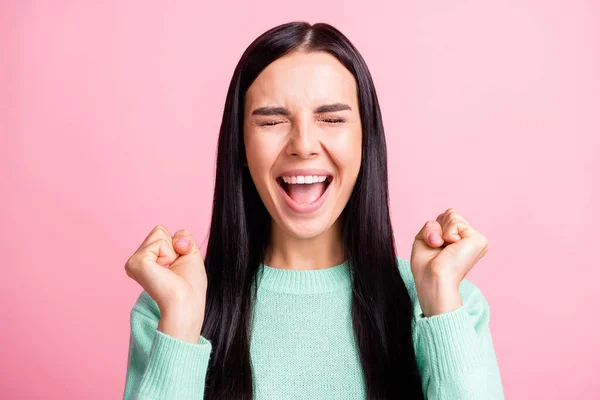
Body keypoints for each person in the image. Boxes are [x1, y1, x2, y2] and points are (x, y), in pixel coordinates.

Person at [122, 21, 505, 400]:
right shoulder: (171, 304)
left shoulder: (450, 304)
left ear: (365, 141)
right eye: (272, 121)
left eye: (332, 119)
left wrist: (440, 304)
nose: (303, 145)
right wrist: (181, 326)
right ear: (240, 146)